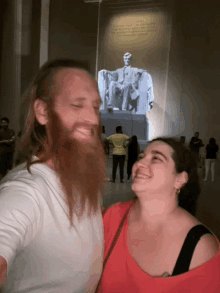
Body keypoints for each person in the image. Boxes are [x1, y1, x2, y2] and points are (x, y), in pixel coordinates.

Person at [0, 59, 106, 292]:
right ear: (43, 112)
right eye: (77, 105)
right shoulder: (26, 190)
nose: (93, 120)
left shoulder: (84, 182)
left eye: (96, 107)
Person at [96, 137, 220, 293]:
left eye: (156, 158)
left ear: (180, 179)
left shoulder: (200, 248)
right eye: (141, 157)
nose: (139, 164)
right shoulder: (114, 215)